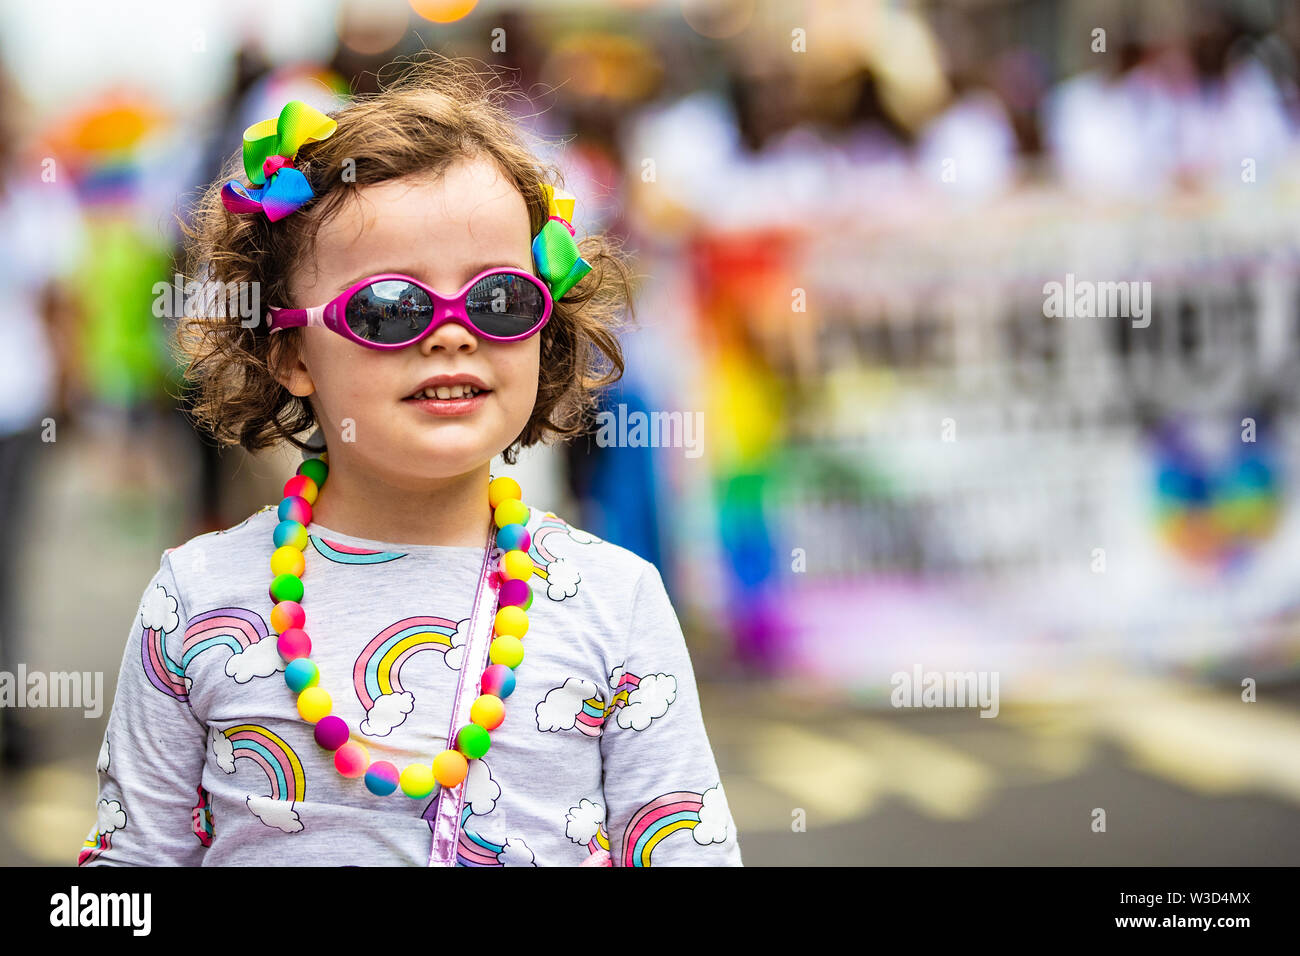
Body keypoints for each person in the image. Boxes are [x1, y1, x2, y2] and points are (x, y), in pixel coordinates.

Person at [78, 55, 742, 867]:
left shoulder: (616, 602)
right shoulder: (195, 602)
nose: (453, 332)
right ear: (289, 352)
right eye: (390, 307)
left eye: (500, 299)